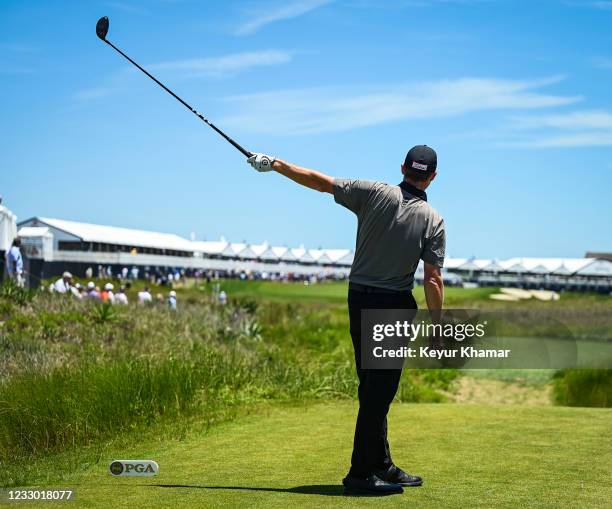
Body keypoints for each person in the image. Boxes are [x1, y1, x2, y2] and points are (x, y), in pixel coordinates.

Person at [247, 145, 445, 496]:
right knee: (378, 393)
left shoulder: (372, 192)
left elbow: (320, 182)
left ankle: (381, 464)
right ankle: (359, 474)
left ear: (402, 168)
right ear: (432, 176)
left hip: (359, 298)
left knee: (372, 387)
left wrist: (274, 164)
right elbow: (432, 278)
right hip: (393, 305)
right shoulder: (432, 218)